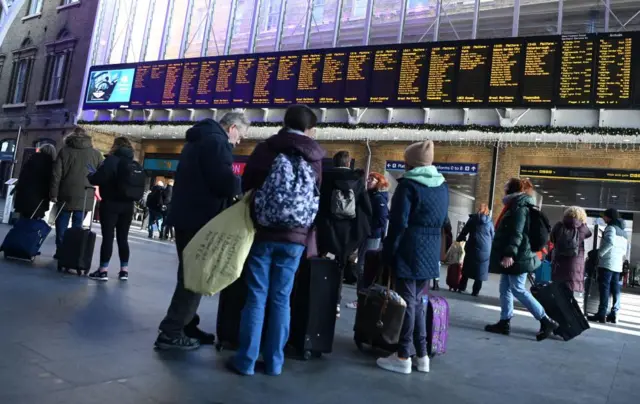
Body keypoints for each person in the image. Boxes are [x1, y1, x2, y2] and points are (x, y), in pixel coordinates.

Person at [228, 105, 324, 376]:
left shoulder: (267, 148)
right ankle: (274, 363)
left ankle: (246, 361)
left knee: (256, 296)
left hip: (264, 232)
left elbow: (247, 184)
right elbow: (318, 194)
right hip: (296, 237)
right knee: (282, 298)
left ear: (284, 121)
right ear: (309, 128)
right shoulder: (315, 155)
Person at [155, 113, 248, 350]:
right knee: (194, 276)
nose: (238, 143)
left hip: (187, 215)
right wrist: (241, 184)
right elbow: (224, 182)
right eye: (241, 137)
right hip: (199, 218)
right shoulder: (217, 142)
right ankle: (172, 330)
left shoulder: (200, 138)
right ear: (233, 128)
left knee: (190, 273)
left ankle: (187, 324)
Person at [376, 140, 448, 375]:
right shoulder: (442, 186)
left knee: (407, 303)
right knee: (418, 303)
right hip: (431, 250)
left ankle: (403, 356)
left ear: (411, 163)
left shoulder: (408, 186)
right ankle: (423, 355)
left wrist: (388, 252)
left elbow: (398, 224)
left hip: (409, 248)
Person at [485, 178, 559, 341]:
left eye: (506, 186)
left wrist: (510, 254)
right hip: (518, 254)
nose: (503, 188)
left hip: (519, 256)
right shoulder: (515, 204)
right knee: (505, 288)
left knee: (518, 289)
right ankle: (504, 322)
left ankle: (546, 320)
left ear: (512, 189)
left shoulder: (519, 207)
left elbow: (517, 232)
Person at [316, 151, 372, 316]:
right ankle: (336, 303)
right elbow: (366, 209)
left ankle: (319, 299)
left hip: (326, 229)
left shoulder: (324, 178)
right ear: (349, 163)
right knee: (340, 267)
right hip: (348, 233)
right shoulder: (357, 181)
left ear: (334, 162)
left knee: (320, 262)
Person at [87, 137, 140, 282]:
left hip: (110, 204)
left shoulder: (111, 160)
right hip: (128, 205)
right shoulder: (133, 162)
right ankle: (124, 271)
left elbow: (98, 179)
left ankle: (103, 270)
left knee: (108, 237)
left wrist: (91, 175)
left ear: (115, 146)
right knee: (123, 238)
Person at [50, 127, 103, 258]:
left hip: (65, 192)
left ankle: (60, 249)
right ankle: (73, 252)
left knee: (61, 222)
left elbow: (56, 175)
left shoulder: (64, 151)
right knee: (78, 225)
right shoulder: (96, 154)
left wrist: (53, 194)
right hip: (86, 194)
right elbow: (102, 174)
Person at [346, 171, 389, 309]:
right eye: (369, 178)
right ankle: (362, 298)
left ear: (379, 182)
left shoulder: (378, 199)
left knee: (363, 267)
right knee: (362, 267)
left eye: (373, 179)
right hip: (367, 235)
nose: (369, 181)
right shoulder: (370, 196)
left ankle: (362, 299)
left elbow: (382, 219)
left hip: (372, 236)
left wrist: (368, 229)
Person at [588, 208, 628, 324]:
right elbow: (624, 251)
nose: (603, 218)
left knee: (604, 289)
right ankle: (614, 314)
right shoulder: (623, 232)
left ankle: (601, 314)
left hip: (607, 263)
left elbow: (610, 243)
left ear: (608, 217)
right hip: (617, 265)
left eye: (604, 216)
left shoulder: (611, 228)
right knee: (615, 290)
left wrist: (599, 254)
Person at [549, 206, 592, 294]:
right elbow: (589, 234)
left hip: (559, 261)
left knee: (558, 287)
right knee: (570, 289)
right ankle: (567, 306)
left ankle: (558, 305)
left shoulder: (559, 226)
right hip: (574, 262)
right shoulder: (582, 228)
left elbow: (552, 239)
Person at [456, 204, 494, 296]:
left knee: (467, 267)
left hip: (473, 246)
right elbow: (493, 235)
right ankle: (475, 291)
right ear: (487, 211)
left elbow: (465, 231)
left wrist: (460, 238)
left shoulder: (473, 219)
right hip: (485, 249)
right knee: (480, 270)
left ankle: (462, 287)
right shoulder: (490, 222)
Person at [14, 144, 56, 220]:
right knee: (35, 218)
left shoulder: (31, 159)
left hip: (25, 194)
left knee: (23, 218)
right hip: (40, 196)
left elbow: (22, 176)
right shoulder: (51, 165)